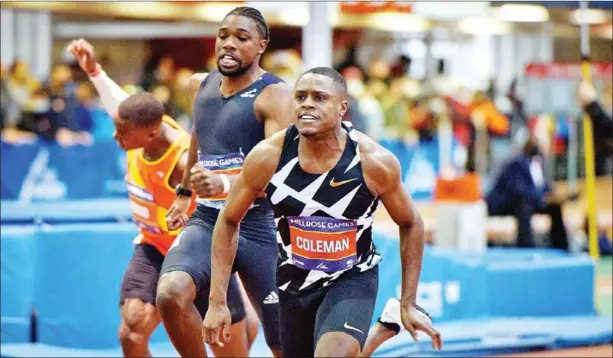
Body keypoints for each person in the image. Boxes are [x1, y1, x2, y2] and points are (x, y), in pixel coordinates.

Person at [202, 67, 442, 357]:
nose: (307, 104)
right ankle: (379, 333)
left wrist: (408, 301)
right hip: (293, 282)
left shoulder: (373, 163)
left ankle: (379, 328)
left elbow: (411, 223)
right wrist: (217, 301)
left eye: (319, 97)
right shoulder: (268, 157)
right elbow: (228, 220)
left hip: (351, 278)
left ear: (342, 108)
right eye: (300, 97)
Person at [67, 39, 260, 357]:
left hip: (198, 252)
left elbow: (235, 195)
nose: (115, 137)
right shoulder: (136, 127)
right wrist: (94, 69)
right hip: (154, 246)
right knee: (132, 329)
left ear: (150, 134)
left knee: (232, 346)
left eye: (121, 133)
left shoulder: (184, 161)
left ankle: (244, 314)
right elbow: (117, 103)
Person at [159, 6, 292, 358]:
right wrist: (184, 192)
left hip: (259, 223)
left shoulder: (275, 96)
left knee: (285, 344)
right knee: (171, 293)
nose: (229, 44)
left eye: (241, 38)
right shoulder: (198, 85)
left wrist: (223, 183)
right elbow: (197, 137)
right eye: (223, 36)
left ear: (261, 45)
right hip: (207, 219)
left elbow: (279, 176)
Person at [486, 134, 578, 250]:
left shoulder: (539, 164)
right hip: (507, 203)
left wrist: (555, 195)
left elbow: (542, 186)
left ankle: (561, 245)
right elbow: (518, 190)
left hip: (530, 200)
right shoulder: (517, 163)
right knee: (524, 206)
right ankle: (526, 246)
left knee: (554, 207)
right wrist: (541, 196)